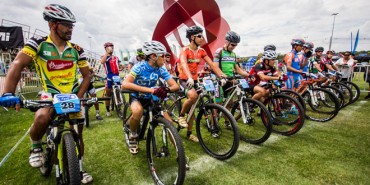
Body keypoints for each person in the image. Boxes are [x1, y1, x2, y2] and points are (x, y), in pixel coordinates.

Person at [0, 4, 93, 183]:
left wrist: (80, 97)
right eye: (66, 25)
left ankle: (79, 169)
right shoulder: (38, 44)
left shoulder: (77, 49)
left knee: (77, 134)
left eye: (72, 25)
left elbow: (87, 75)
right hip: (49, 94)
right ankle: (36, 146)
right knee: (42, 117)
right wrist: (7, 93)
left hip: (73, 95)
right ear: (52, 24)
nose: (70, 29)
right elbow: (17, 64)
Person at [121, 40, 179, 154]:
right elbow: (125, 84)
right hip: (137, 97)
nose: (165, 58)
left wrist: (166, 89)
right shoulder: (139, 67)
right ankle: (133, 135)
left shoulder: (161, 68)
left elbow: (175, 86)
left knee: (169, 123)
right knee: (137, 112)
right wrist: (152, 90)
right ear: (153, 56)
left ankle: (179, 153)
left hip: (151, 98)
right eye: (162, 55)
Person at [177, 25, 226, 142]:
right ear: (192, 37)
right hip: (184, 79)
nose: (202, 38)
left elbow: (212, 65)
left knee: (194, 107)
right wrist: (189, 77)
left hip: (193, 80)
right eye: (200, 36)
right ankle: (181, 116)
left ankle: (189, 134)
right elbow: (183, 63)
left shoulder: (201, 51)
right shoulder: (185, 50)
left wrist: (222, 76)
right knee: (193, 96)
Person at [213, 31, 249, 102]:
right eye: (232, 45)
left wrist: (248, 75)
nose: (234, 47)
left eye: (235, 45)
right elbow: (215, 67)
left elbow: (237, 69)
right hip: (220, 80)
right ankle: (215, 113)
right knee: (218, 103)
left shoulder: (233, 54)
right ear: (226, 42)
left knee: (229, 102)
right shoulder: (219, 51)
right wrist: (223, 76)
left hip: (230, 80)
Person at [100, 42, 122, 117]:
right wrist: (107, 53)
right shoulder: (104, 56)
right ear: (105, 48)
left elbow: (119, 65)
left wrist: (121, 67)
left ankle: (119, 106)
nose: (110, 48)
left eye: (112, 47)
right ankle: (107, 110)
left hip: (116, 75)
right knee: (108, 93)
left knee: (119, 91)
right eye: (108, 47)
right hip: (109, 76)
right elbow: (102, 62)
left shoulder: (116, 57)